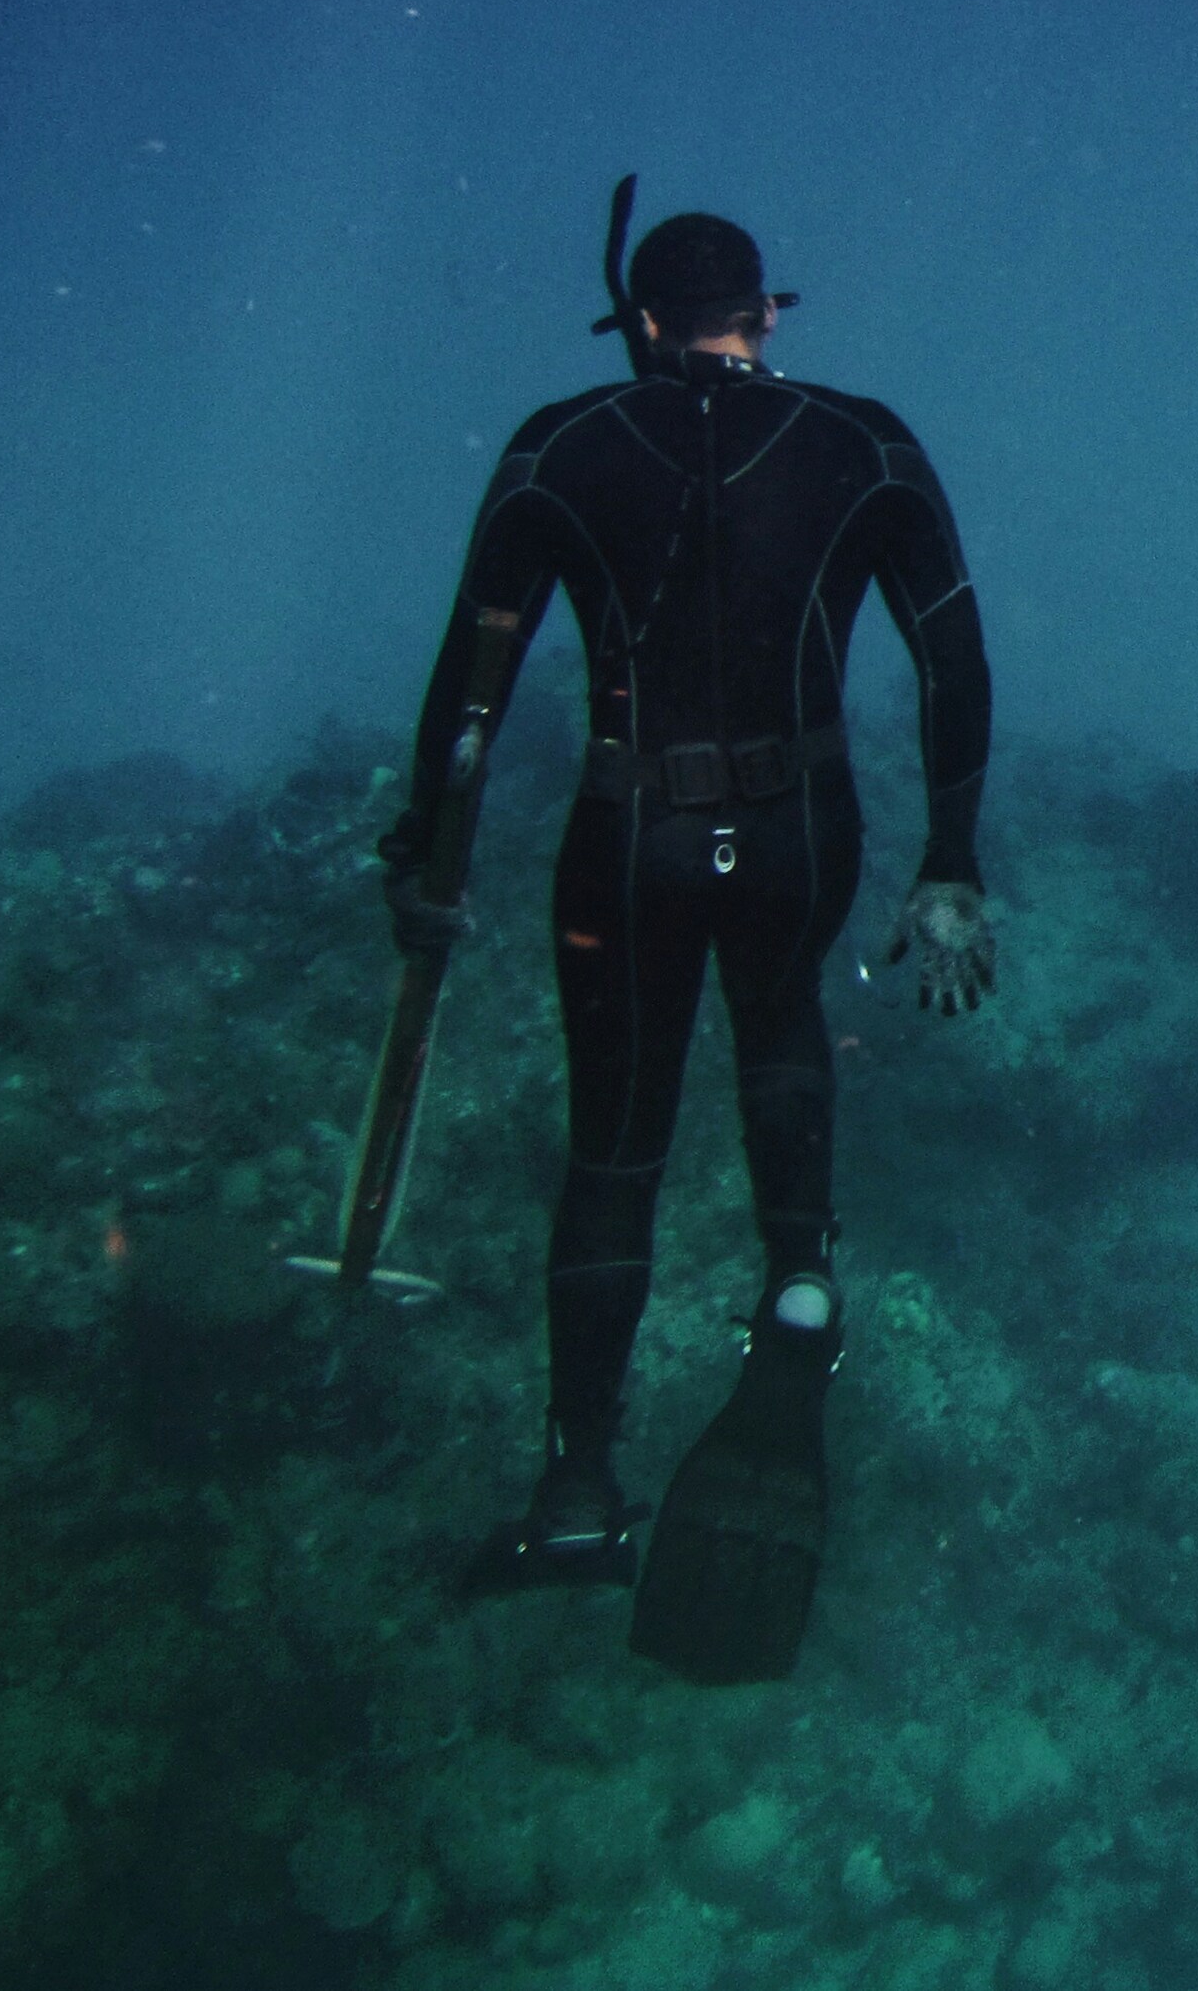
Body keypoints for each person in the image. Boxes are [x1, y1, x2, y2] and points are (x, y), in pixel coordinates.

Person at [384, 189, 994, 1678]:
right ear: (766, 314)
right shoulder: (864, 442)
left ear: (644, 325)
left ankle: (580, 1488)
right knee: (780, 1027)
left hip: (630, 836)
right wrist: (951, 862)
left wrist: (430, 857)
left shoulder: (560, 446)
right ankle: (797, 1289)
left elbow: (473, 683)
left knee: (617, 1143)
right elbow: (952, 656)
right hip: (802, 827)